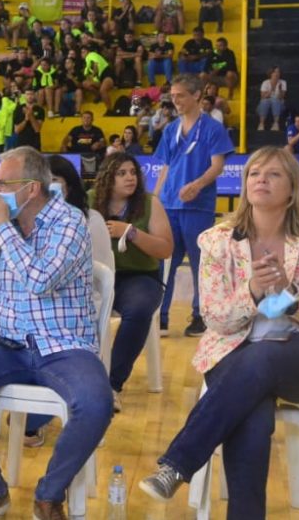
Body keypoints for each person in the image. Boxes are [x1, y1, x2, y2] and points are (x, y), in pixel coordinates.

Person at [138, 147, 299, 517]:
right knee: (252, 416)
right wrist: (253, 293)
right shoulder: (217, 240)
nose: (260, 180)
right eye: (254, 173)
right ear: (244, 185)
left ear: (292, 189)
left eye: (273, 175)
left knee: (264, 357)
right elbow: (215, 318)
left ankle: (177, 463)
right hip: (233, 353)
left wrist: (292, 294)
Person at [0, 147, 111, 520]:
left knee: (96, 403)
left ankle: (50, 495)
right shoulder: (9, 226)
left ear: (32, 188)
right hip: (9, 343)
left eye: (2, 183)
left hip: (64, 345)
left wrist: (3, 228)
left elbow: (39, 281)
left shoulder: (69, 224)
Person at [89, 154, 174, 411]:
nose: (129, 178)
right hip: (95, 276)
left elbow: (165, 249)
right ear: (108, 177)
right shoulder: (90, 200)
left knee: (139, 309)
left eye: (132, 172)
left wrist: (131, 232)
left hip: (137, 276)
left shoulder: (149, 203)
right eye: (122, 173)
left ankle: (112, 384)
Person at [154, 74, 235, 337]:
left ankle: (200, 315)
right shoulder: (170, 129)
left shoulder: (212, 128)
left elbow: (217, 166)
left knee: (201, 263)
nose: (175, 101)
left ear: (197, 95)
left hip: (198, 206)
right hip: (169, 205)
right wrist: (154, 200)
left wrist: (197, 185)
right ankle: (161, 316)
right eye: (173, 96)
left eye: (180, 96)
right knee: (165, 261)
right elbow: (165, 167)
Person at [63, 111, 106, 175]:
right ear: (81, 119)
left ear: (92, 120)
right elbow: (66, 140)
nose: (86, 119)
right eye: (84, 117)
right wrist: (64, 145)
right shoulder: (75, 129)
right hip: (76, 152)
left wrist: (98, 143)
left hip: (91, 154)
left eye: (88, 118)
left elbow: (103, 142)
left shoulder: (97, 130)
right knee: (64, 148)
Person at [256, 67, 287, 132]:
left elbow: (282, 97)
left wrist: (280, 89)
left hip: (279, 105)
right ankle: (261, 123)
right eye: (274, 72)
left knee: (275, 100)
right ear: (271, 73)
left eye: (278, 72)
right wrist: (271, 90)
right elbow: (263, 97)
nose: (276, 74)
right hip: (264, 105)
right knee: (265, 101)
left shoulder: (283, 82)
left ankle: (276, 123)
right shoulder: (265, 82)